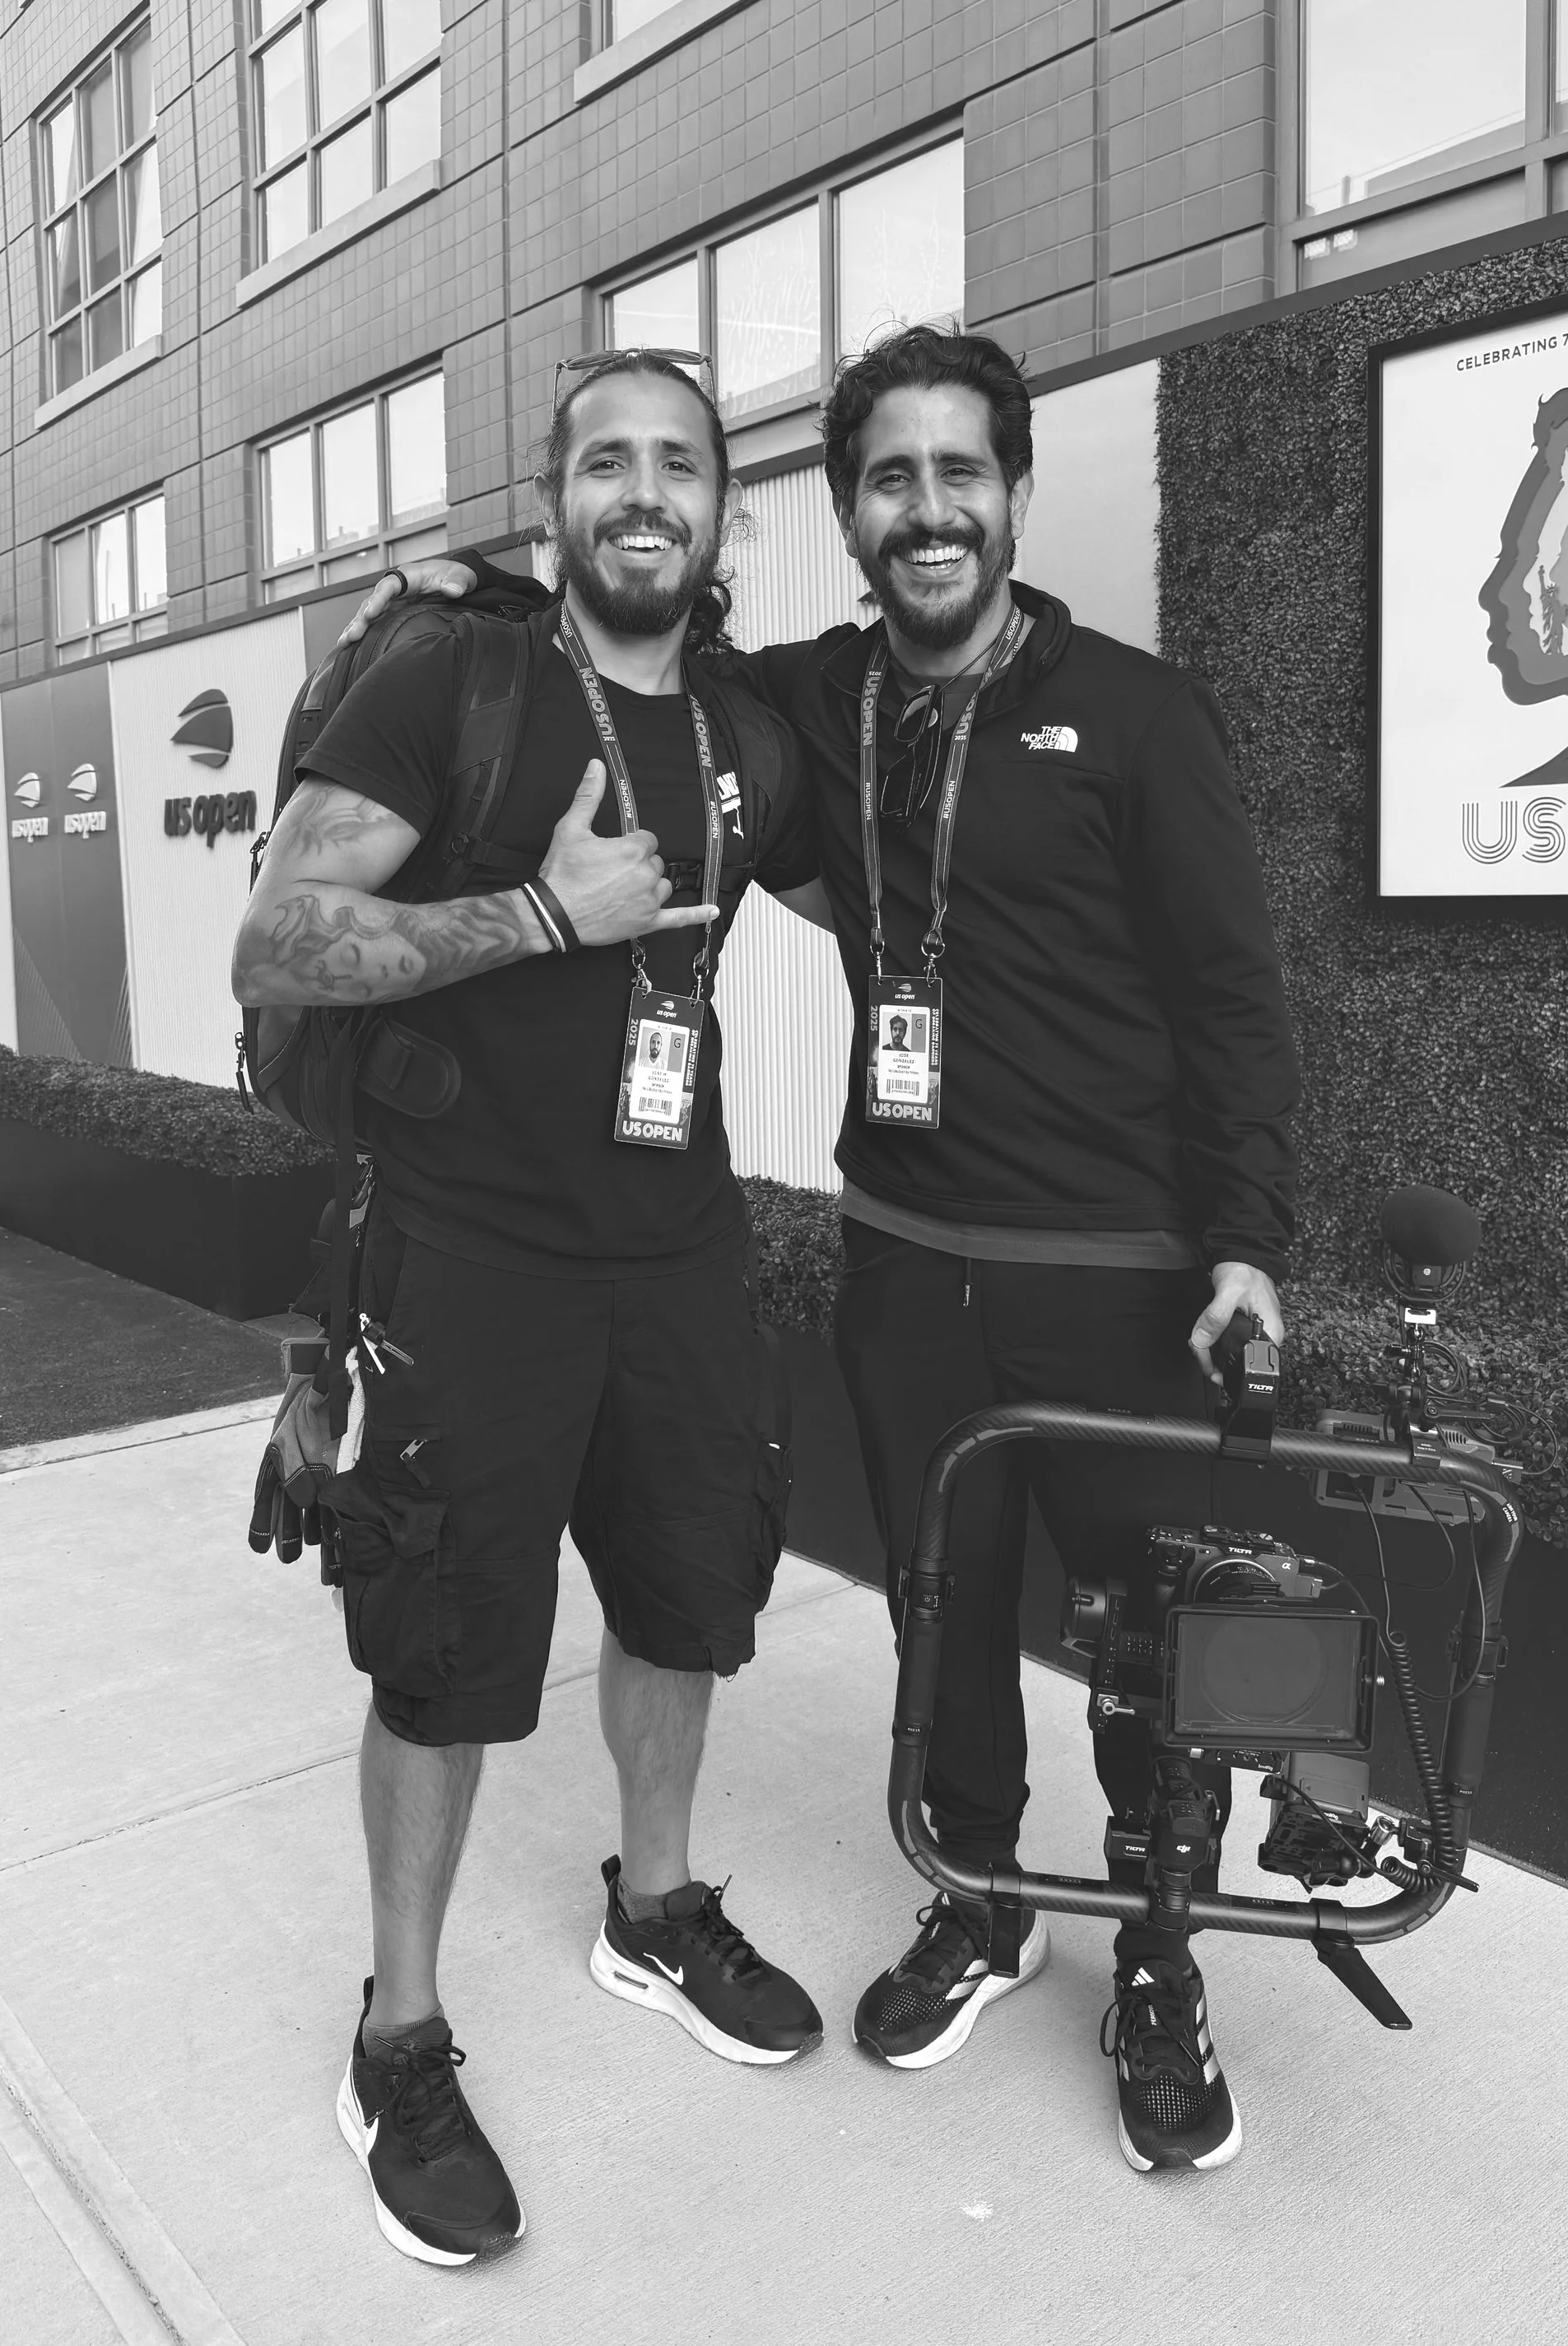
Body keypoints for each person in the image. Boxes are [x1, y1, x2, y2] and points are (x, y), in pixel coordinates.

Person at [361, 324, 1300, 2176]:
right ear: (841, 514)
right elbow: (624, 633)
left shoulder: (1134, 712)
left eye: (961, 473)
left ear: (1011, 497)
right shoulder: (797, 700)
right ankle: (977, 1898)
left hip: (1114, 1271)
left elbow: (1232, 1001)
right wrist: (465, 589)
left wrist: (1248, 1242)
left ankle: (1162, 1959)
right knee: (940, 1622)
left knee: (1145, 1639)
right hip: (901, 1259)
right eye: (891, 478)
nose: (928, 509)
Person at [232, 351, 826, 2273]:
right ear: (558, 498)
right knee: (447, 1647)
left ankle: (654, 1907)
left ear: (723, 507)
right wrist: (542, 918)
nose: (641, 489)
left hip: (676, 1253)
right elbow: (281, 937)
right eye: (605, 461)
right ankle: (397, 2033)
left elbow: (908, 859)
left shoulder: (747, 727)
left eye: (678, 461)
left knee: (687, 1597)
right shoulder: (456, 684)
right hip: (463, 1259)